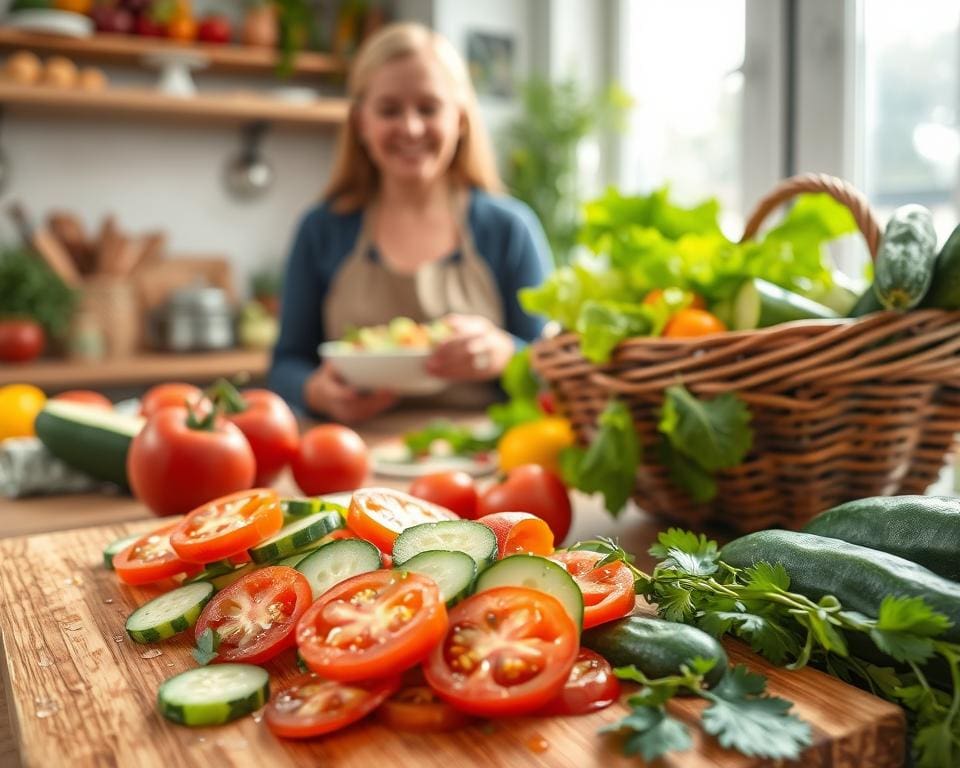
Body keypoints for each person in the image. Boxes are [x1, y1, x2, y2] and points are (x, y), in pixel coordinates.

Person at [268, 22, 552, 423]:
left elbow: (554, 369)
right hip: (348, 466)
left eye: (429, 108)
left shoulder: (508, 229)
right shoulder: (322, 229)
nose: (411, 127)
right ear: (361, 123)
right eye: (389, 110)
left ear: (461, 119)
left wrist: (507, 354)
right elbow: (285, 363)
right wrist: (314, 391)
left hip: (487, 463)